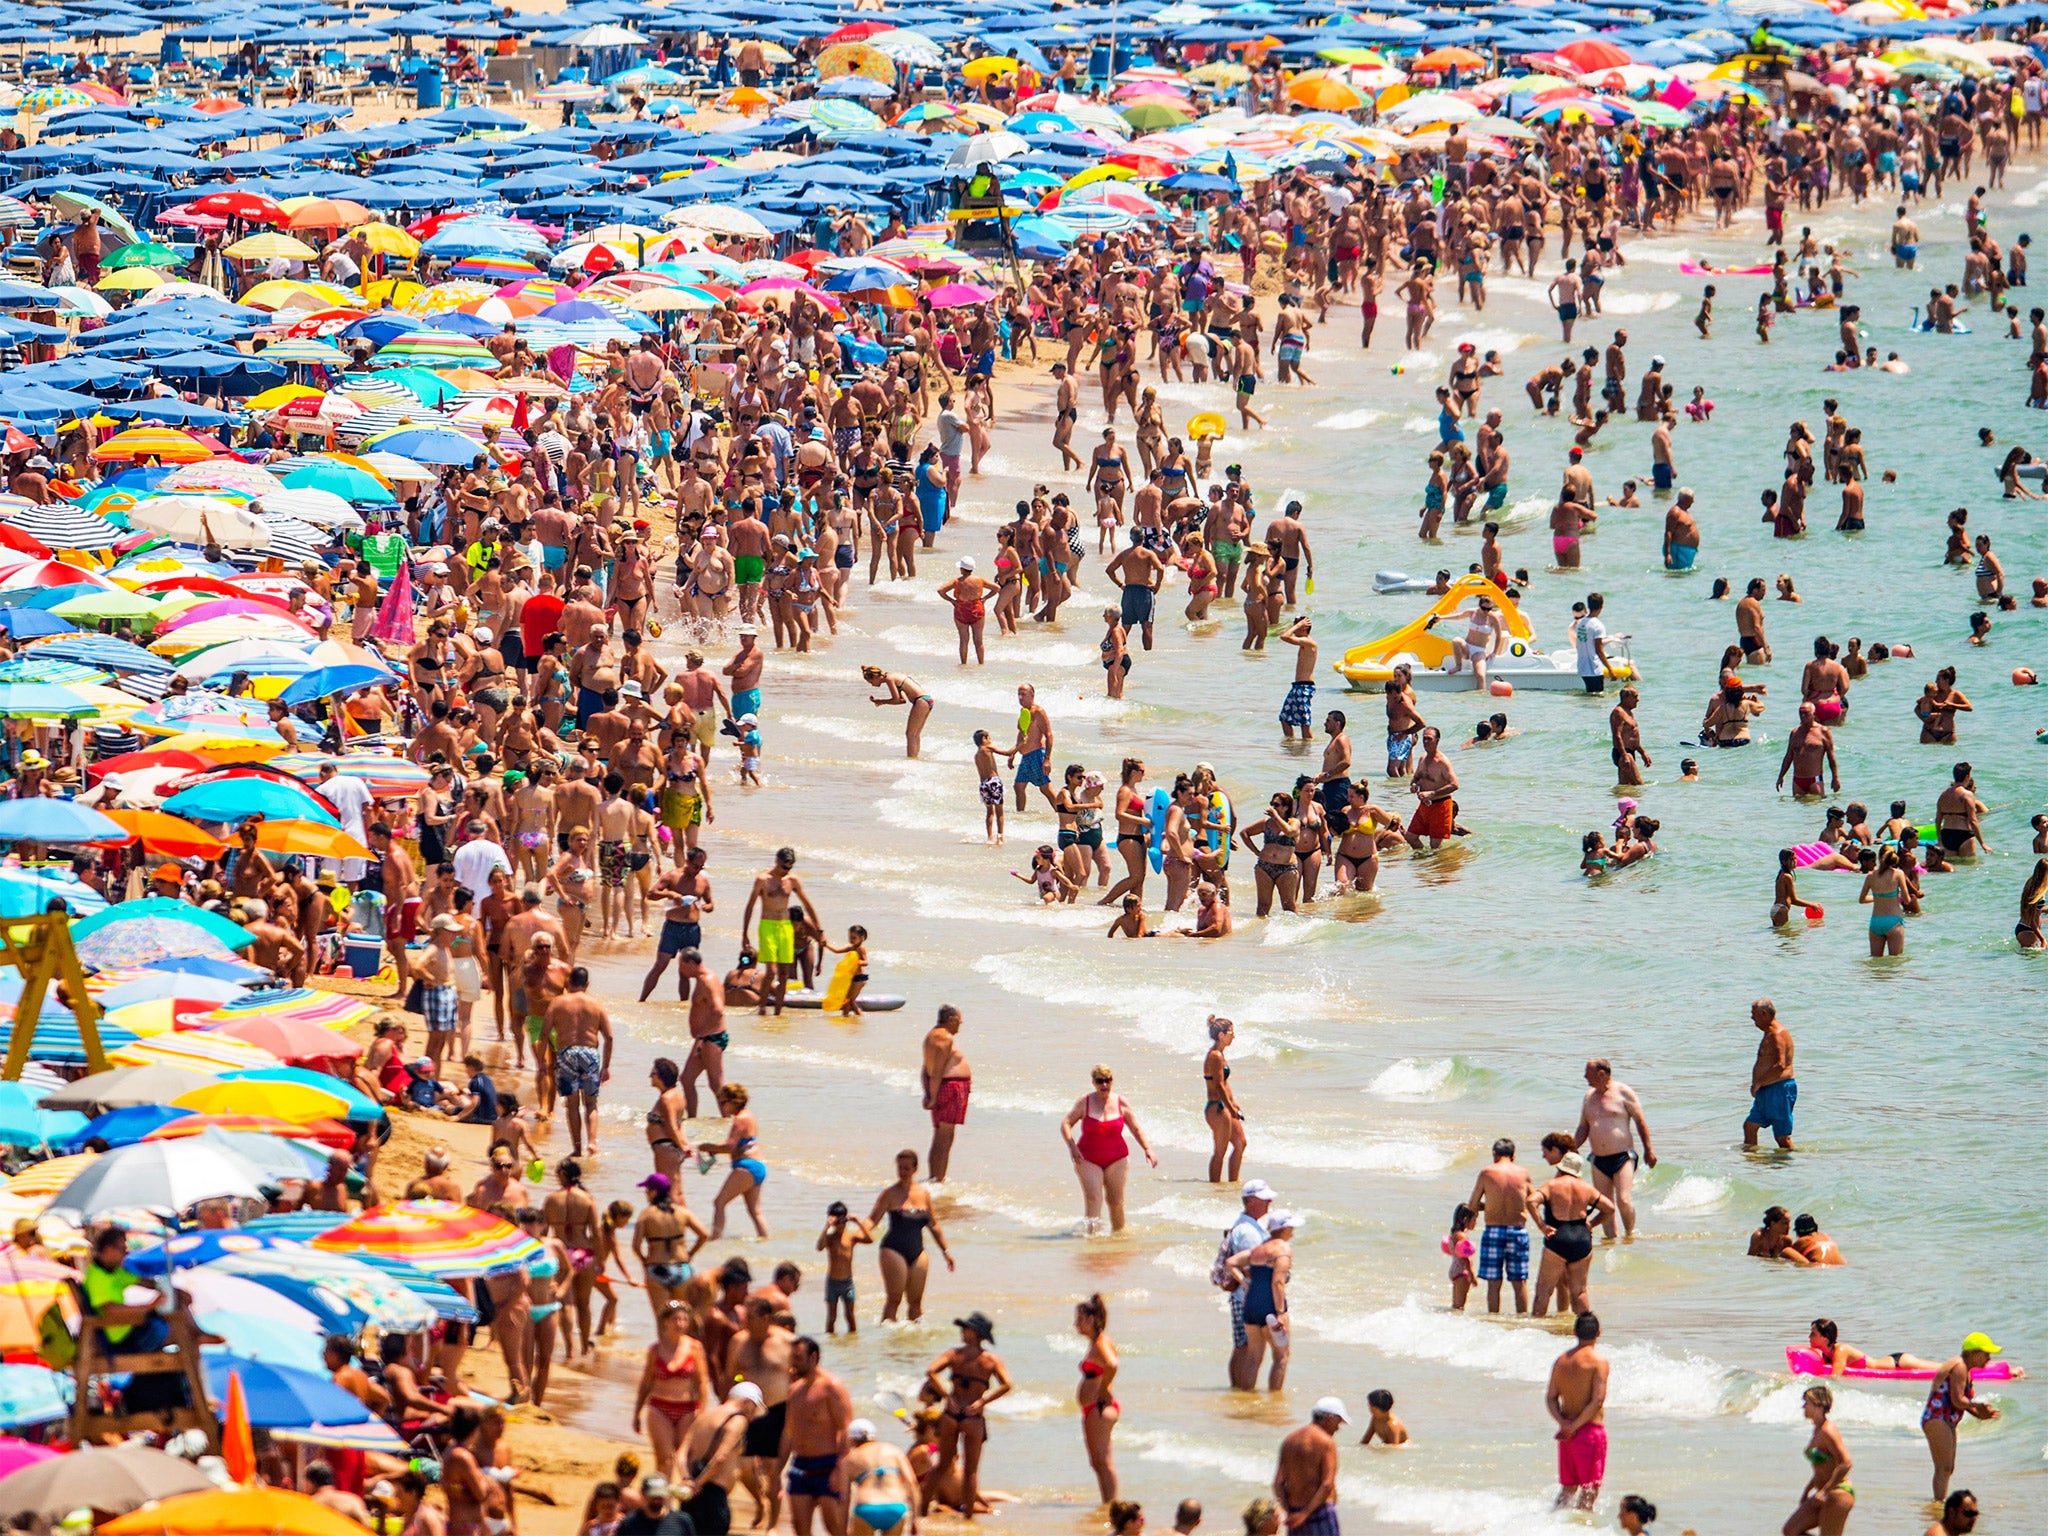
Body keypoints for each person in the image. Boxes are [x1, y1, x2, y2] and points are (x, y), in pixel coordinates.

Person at [923, 1313, 1011, 1522]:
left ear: (975, 1333)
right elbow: (1007, 1384)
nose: (962, 1331)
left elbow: (930, 1371)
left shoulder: (954, 1354)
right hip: (973, 1417)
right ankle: (969, 1518)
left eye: (965, 1329)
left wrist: (946, 1396)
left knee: (942, 1464)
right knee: (971, 1471)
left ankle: (921, 1510)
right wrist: (982, 1402)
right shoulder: (990, 1360)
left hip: (952, 1413)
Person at [1060, 1063, 1159, 1233]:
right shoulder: (1085, 1102)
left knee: (1116, 1201)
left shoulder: (1121, 1102)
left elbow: (1135, 1128)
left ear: (1112, 1081)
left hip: (1117, 1158)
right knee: (1094, 1198)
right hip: (1087, 1158)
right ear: (1094, 1082)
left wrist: (1147, 1149)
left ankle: (1118, 1238)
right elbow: (1066, 1123)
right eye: (1100, 1081)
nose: (1104, 1085)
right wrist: (1072, 1146)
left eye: (1107, 1080)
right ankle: (1092, 1239)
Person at [868, 1149, 953, 1322]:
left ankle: (915, 1346)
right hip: (893, 1249)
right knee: (894, 1300)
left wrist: (946, 1251)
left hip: (918, 1251)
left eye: (906, 1168)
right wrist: (856, 1233)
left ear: (915, 1169)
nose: (902, 1172)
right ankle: (888, 1343)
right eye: (899, 1168)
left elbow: (934, 1225)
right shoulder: (889, 1193)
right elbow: (872, 1220)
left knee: (915, 1303)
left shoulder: (924, 1194)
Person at [1573, 1059, 1655, 1238]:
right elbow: (1583, 1128)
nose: (1585, 1076)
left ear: (1602, 1074)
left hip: (1623, 1157)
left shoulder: (1624, 1093)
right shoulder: (1588, 1097)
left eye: (1588, 1073)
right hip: (1598, 1159)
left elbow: (1640, 1121)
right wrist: (1571, 1147)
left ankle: (1630, 1235)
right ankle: (1610, 1241)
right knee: (1605, 1205)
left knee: (1624, 1200)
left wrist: (1649, 1150)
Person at [633, 1302, 712, 1481]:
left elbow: (702, 1382)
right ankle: (663, 1502)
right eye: (676, 1319)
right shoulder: (656, 1349)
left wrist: (702, 1412)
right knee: (665, 1460)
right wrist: (637, 1412)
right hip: (659, 1408)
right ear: (666, 1322)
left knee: (687, 1460)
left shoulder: (695, 1348)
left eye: (684, 1320)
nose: (680, 1324)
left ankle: (686, 1501)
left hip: (688, 1409)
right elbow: (646, 1382)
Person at [1923, 1335, 2009, 1501]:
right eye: (1986, 1353)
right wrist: (1978, 1406)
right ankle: (1938, 1504)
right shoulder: (1960, 1367)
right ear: (1973, 1353)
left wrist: (1981, 1415)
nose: (1989, 1358)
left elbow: (1962, 1401)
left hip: (1945, 1419)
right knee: (1943, 1468)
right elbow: (1958, 1399)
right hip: (1937, 1418)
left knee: (1948, 1468)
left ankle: (1939, 1501)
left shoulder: (1966, 1370)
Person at [1531, 1144, 1610, 1318]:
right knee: (1580, 1292)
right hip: (1581, 1239)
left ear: (1561, 1166)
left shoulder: (1551, 1185)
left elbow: (1531, 1201)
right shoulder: (1586, 1188)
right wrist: (1591, 1224)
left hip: (1557, 1237)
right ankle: (1585, 1331)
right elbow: (1609, 1208)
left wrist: (1541, 1225)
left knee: (1543, 1292)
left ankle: (1535, 1334)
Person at [1225, 1209, 1297, 1391]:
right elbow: (1278, 1282)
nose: (1294, 1230)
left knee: (1253, 1356)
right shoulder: (1283, 1249)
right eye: (1292, 1226)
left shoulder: (1258, 1249)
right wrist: (1280, 1313)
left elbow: (1231, 1262)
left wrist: (1244, 1282)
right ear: (1285, 1228)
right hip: (1270, 1306)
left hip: (1251, 1305)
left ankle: (1245, 1398)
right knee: (1281, 1356)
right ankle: (1274, 1403)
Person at [1216, 1179, 1277, 1389]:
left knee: (1242, 1346)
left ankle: (1237, 1389)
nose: (1269, 1201)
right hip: (1248, 1297)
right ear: (1251, 1201)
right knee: (1250, 1350)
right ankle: (1243, 1390)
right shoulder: (1249, 1232)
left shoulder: (1245, 1227)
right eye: (1264, 1198)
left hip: (1242, 1296)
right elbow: (1253, 1267)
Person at [1546, 1311, 1609, 1511]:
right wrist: (1577, 1425)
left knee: (1568, 1488)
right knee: (1590, 1490)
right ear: (1598, 1333)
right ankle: (1581, 1530)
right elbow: (1597, 1400)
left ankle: (1553, 1525)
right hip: (1589, 1431)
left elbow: (1551, 1397)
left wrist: (1565, 1424)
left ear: (1575, 1332)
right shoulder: (1598, 1362)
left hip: (1567, 1435)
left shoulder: (1561, 1361)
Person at [1467, 1138, 1533, 1314]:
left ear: (1494, 1154)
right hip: (1517, 1231)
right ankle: (1523, 1321)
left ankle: (1494, 1321)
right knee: (1520, 1283)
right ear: (1513, 1155)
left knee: (1493, 1283)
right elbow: (1532, 1201)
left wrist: (1482, 1210)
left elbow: (1473, 1204)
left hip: (1493, 1231)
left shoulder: (1487, 1172)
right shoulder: (1523, 1173)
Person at [1271, 1398, 1342, 1535]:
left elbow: (1278, 1483)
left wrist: (1290, 1512)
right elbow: (1327, 1484)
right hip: (1320, 1512)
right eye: (1338, 1422)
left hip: (1294, 1514)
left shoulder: (1289, 1440)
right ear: (1330, 1418)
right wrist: (1305, 1513)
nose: (1338, 1428)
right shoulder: (1326, 1442)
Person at [1074, 1292, 1120, 1502]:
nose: (1075, 1324)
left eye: (1079, 1319)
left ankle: (1111, 1505)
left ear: (1092, 1320)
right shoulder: (1099, 1342)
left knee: (1102, 1462)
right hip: (1095, 1406)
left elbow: (1112, 1365)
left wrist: (1103, 1389)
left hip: (1098, 1406)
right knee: (1098, 1462)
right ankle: (1107, 1504)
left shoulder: (1101, 1342)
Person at [842, 1419, 919, 1536]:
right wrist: (915, 1519)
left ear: (851, 1439)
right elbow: (912, 1483)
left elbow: (844, 1497)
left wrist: (845, 1525)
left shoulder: (850, 1459)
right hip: (895, 1507)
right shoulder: (894, 1450)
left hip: (867, 1508)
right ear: (874, 1436)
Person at [920, 1005, 970, 1183]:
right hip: (950, 1088)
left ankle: (935, 1177)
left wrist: (928, 1093)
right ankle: (938, 1179)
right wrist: (932, 1096)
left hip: (942, 1088)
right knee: (945, 1136)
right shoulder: (945, 1038)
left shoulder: (930, 1036)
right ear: (950, 1019)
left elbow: (926, 1069)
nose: (960, 1025)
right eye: (959, 1021)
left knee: (940, 1134)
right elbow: (938, 1070)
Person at [1744, 998, 1797, 1150]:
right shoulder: (1769, 1033)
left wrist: (1759, 1083)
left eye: (1754, 1014)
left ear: (1764, 1013)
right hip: (1767, 1090)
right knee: (1750, 1126)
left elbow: (1781, 1065)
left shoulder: (1777, 1034)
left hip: (1778, 1089)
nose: (1752, 1017)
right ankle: (1751, 1164)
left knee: (1782, 1137)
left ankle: (1794, 1164)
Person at [1203, 1015, 1247, 1184]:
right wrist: (1230, 1107)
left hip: (1225, 1105)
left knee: (1240, 1143)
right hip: (1217, 1107)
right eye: (1230, 1032)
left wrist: (1234, 1104)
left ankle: (1233, 1183)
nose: (1233, 1036)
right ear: (1221, 1035)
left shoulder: (1220, 1054)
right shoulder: (1215, 1056)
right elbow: (1219, 1086)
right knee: (1220, 1151)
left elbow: (1225, 1084)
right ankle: (1215, 1187)